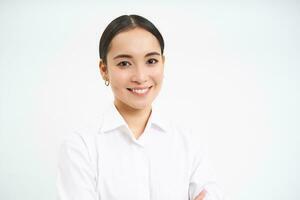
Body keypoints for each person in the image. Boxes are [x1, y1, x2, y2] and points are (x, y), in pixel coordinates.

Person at [56, 14, 223, 200]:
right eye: (124, 63)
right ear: (104, 70)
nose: (140, 76)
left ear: (163, 63)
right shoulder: (80, 148)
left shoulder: (188, 143)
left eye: (151, 61)